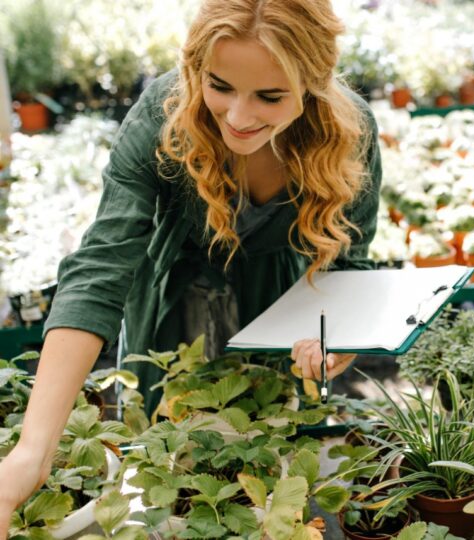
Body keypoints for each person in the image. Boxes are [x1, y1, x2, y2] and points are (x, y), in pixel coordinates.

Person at [0, 0, 381, 535]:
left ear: (313, 83)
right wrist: (31, 452)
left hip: (277, 311)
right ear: (195, 67)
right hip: (170, 300)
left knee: (268, 462)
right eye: (219, 85)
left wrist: (341, 338)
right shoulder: (163, 114)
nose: (239, 117)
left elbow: (352, 262)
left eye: (270, 96)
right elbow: (102, 265)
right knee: (171, 455)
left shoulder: (350, 132)